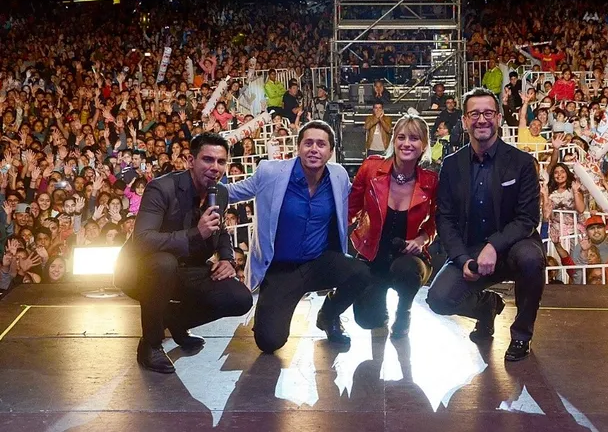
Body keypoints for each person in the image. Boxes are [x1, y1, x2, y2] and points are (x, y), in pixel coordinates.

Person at [226, 120, 370, 353]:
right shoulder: (270, 172)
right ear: (298, 147)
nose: (314, 149)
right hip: (281, 270)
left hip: (319, 263)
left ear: (330, 151)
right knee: (269, 342)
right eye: (308, 143)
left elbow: (366, 197)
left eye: (321, 144)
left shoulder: (338, 175)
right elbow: (232, 192)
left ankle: (328, 316)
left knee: (361, 273)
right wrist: (198, 183)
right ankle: (267, 314)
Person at [114, 133, 254, 374]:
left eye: (221, 161)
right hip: (142, 271)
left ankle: (175, 321)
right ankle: (150, 345)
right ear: (191, 161)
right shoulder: (161, 188)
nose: (215, 167)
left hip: (188, 269)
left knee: (240, 298)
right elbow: (142, 240)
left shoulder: (219, 192)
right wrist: (195, 234)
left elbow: (220, 231)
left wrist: (227, 259)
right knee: (164, 263)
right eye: (208, 159)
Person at [426, 87, 545, 362]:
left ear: (499, 118)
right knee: (439, 299)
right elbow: (445, 218)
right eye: (475, 114)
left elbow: (527, 218)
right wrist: (462, 258)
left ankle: (521, 335)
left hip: (514, 245)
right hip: (471, 249)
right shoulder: (451, 165)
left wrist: (493, 245)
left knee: (531, 259)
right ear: (464, 121)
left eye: (488, 113)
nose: (482, 119)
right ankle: (486, 307)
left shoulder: (522, 163)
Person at [348, 114, 438, 338]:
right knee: (367, 319)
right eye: (401, 137)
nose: (407, 143)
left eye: (414, 138)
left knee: (406, 269)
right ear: (393, 141)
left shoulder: (431, 181)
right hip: (372, 256)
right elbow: (350, 210)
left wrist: (421, 240)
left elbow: (435, 223)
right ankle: (373, 303)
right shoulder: (370, 168)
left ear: (424, 145)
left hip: (410, 259)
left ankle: (403, 312)